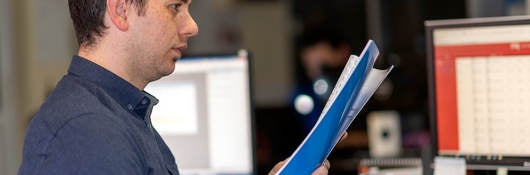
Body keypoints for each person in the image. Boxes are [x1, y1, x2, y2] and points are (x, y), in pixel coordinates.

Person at [18, 0, 335, 174]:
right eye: (175, 7)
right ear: (121, 10)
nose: (192, 26)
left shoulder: (121, 114)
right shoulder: (86, 134)